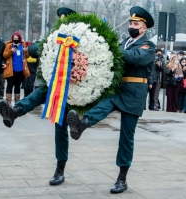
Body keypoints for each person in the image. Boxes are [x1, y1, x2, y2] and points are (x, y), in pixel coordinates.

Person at [65, 6, 155, 194]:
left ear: (144, 27)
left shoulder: (148, 46)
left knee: (126, 137)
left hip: (135, 93)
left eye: (136, 23)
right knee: (103, 106)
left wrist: (112, 48)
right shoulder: (124, 42)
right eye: (130, 22)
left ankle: (122, 178)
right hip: (119, 88)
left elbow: (135, 59)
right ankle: (83, 123)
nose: (132, 25)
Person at [0, 7, 78, 187]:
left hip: (71, 90)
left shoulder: (81, 40)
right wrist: (49, 42)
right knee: (37, 94)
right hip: (52, 85)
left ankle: (60, 168)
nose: (62, 24)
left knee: (61, 130)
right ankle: (14, 111)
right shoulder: (54, 38)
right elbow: (33, 49)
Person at [2, 31, 29, 106]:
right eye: (14, 38)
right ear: (12, 38)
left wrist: (26, 51)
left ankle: (17, 103)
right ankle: (8, 103)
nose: (16, 39)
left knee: (18, 86)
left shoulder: (22, 45)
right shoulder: (9, 45)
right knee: (9, 85)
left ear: (19, 38)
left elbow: (27, 56)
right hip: (11, 69)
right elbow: (5, 55)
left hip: (20, 70)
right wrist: (11, 51)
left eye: (17, 38)